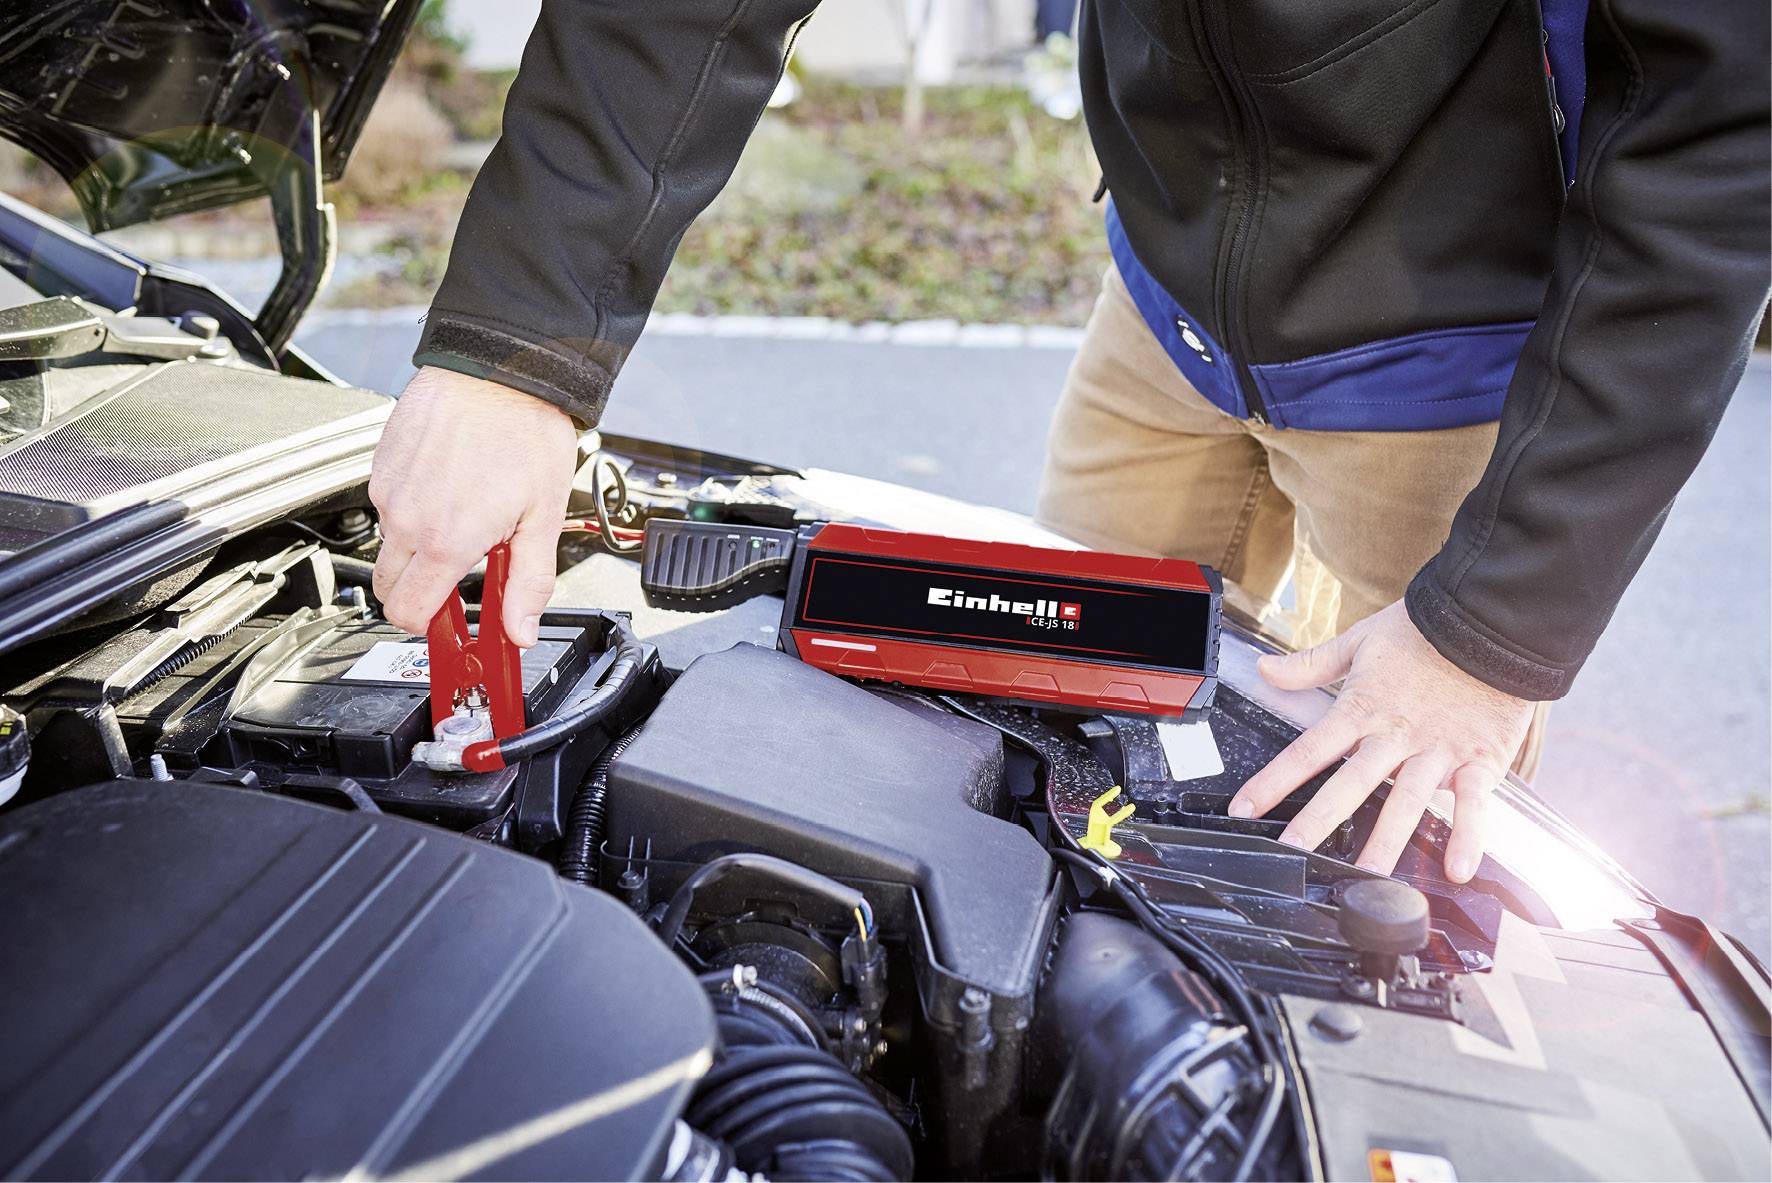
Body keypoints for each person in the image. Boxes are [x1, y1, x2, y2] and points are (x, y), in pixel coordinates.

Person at [368, 1, 1770, 883]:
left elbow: (1724, 135)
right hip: (1161, 307)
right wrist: (519, 351)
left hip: (1453, 355)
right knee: (1068, 716)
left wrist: (1492, 633)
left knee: (1394, 833)